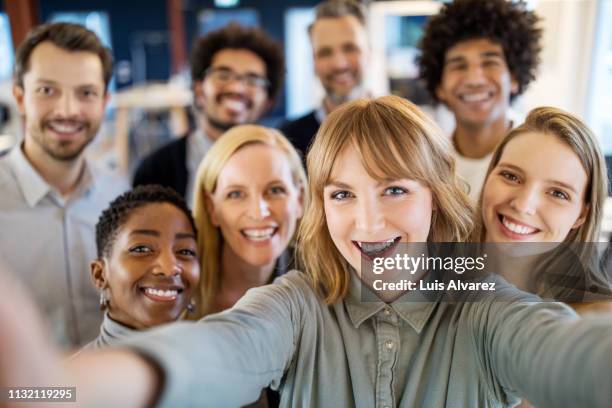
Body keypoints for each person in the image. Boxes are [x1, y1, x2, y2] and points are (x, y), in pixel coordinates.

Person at [5, 96, 612, 407]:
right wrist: (54, 389)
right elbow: (214, 351)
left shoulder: (486, 307)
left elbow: (566, 352)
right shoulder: (296, 304)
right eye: (343, 193)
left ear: (439, 197)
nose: (367, 220)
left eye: (395, 189)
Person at [0, 22, 128, 348]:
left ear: (104, 101)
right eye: (47, 90)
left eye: (86, 93)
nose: (67, 110)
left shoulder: (121, 195)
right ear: (19, 97)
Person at [133, 24, 284, 203]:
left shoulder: (287, 166)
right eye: (223, 75)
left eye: (252, 80)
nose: (236, 87)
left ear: (268, 101)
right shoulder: (155, 170)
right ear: (198, 90)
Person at [476, 106, 612, 305]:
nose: (523, 205)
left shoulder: (595, 321)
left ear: (582, 214)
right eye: (511, 176)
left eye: (558, 193)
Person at [418, 0, 542, 200]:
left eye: (490, 62)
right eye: (458, 65)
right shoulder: (425, 166)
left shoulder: (541, 158)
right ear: (440, 87)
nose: (475, 79)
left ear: (515, 78)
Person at [192, 125, 306, 318]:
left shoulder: (322, 283)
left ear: (299, 199)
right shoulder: (180, 285)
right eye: (236, 194)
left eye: (275, 190)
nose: (259, 213)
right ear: (211, 208)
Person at [85, 185, 200, 349]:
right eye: (141, 249)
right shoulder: (68, 374)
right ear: (100, 275)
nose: (169, 268)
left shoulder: (221, 365)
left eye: (185, 251)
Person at [280, 0, 369, 160]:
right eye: (325, 52)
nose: (339, 64)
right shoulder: (287, 142)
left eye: (349, 48)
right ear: (313, 61)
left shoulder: (402, 130)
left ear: (369, 52)